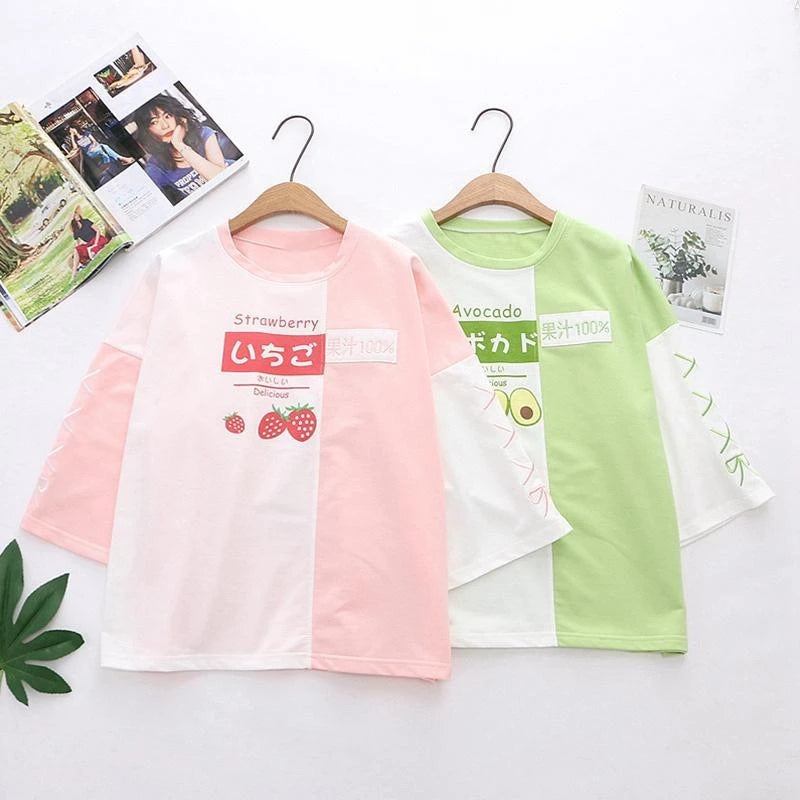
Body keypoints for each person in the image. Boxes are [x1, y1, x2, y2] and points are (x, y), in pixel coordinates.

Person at [132, 94, 238, 204]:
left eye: (167, 116)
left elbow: (221, 177)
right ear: (148, 131)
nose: (165, 126)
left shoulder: (203, 133)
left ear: (178, 117)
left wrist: (179, 144)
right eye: (154, 122)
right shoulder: (156, 167)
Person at [66, 124, 134, 187]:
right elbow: (75, 147)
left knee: (104, 151)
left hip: (95, 147)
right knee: (104, 147)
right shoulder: (75, 140)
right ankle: (122, 159)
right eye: (70, 131)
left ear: (76, 128)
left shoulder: (86, 133)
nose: (72, 131)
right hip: (90, 153)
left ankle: (117, 162)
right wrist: (72, 136)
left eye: (72, 129)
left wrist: (93, 146)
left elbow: (94, 141)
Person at [68, 207, 109, 278]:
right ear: (73, 220)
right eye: (75, 215)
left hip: (98, 239)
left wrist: (95, 243)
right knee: (77, 249)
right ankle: (74, 273)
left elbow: (98, 231)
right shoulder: (76, 231)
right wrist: (76, 253)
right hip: (89, 244)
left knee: (93, 253)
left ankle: (93, 263)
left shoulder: (86, 221)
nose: (77, 216)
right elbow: (77, 243)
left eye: (77, 214)